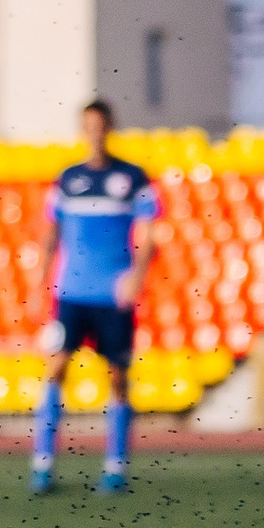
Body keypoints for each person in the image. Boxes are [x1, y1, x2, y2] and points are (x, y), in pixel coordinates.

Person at [32, 99, 155, 494]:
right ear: (82, 130)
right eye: (89, 126)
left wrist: (136, 275)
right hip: (72, 291)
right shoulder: (67, 180)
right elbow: (51, 233)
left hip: (112, 293)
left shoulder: (133, 178)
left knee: (117, 378)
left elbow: (151, 236)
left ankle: (115, 467)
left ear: (110, 128)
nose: (95, 133)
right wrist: (41, 275)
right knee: (56, 368)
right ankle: (42, 464)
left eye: (100, 125)